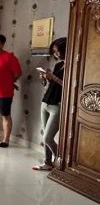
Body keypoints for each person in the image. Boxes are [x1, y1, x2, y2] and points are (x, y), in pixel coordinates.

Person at [32, 37, 66, 171]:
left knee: (48, 138)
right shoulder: (58, 65)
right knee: (45, 136)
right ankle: (47, 162)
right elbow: (51, 85)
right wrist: (45, 79)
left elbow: (69, 87)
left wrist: (54, 78)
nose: (56, 54)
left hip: (58, 106)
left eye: (58, 51)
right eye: (54, 52)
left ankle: (61, 161)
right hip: (46, 102)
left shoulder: (74, 67)